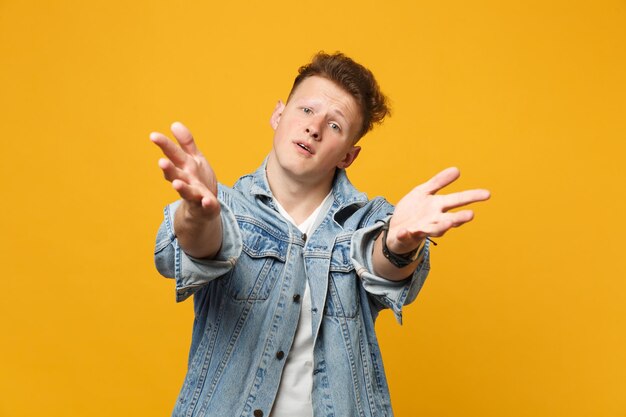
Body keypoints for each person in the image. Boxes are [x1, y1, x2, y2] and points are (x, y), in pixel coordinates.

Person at [151, 52, 490, 417]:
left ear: (348, 155)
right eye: (306, 111)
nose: (314, 128)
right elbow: (197, 248)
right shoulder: (224, 206)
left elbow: (382, 263)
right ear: (278, 115)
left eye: (335, 126)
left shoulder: (368, 220)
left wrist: (399, 244)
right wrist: (198, 213)